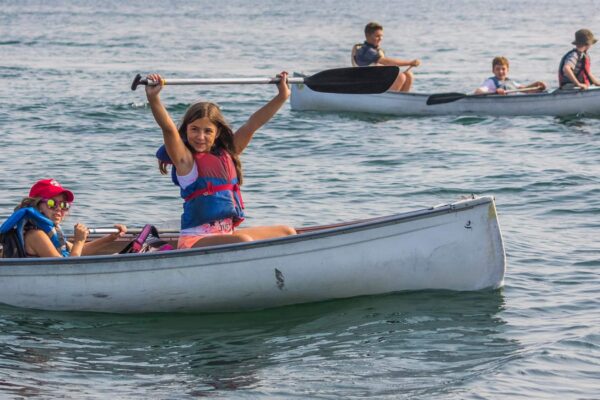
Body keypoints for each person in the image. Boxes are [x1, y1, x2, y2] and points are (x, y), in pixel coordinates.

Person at [145, 72, 297, 250]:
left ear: (217, 133)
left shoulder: (229, 152)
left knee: (287, 233)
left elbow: (253, 124)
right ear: (185, 130)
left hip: (226, 236)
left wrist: (282, 96)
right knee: (243, 241)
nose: (200, 137)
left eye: (207, 131)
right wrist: (154, 98)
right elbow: (169, 129)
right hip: (194, 241)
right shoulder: (185, 161)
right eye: (194, 129)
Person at [0, 179, 127, 258]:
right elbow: (67, 268)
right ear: (37, 206)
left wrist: (110, 238)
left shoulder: (49, 231)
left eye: (63, 205)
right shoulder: (36, 235)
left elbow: (81, 251)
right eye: (51, 203)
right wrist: (78, 241)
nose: (58, 208)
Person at [351, 21, 421, 92]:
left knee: (409, 75)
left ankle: (403, 100)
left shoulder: (377, 50)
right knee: (400, 76)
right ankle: (390, 100)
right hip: (367, 85)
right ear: (367, 36)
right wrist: (409, 62)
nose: (381, 38)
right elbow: (386, 62)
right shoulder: (366, 50)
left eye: (381, 36)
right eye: (377, 36)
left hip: (377, 82)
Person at [474, 56, 547, 95]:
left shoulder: (511, 82)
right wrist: (495, 92)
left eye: (503, 69)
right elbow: (478, 91)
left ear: (507, 70)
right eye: (497, 69)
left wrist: (537, 85)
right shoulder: (491, 82)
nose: (500, 71)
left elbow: (526, 90)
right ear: (493, 71)